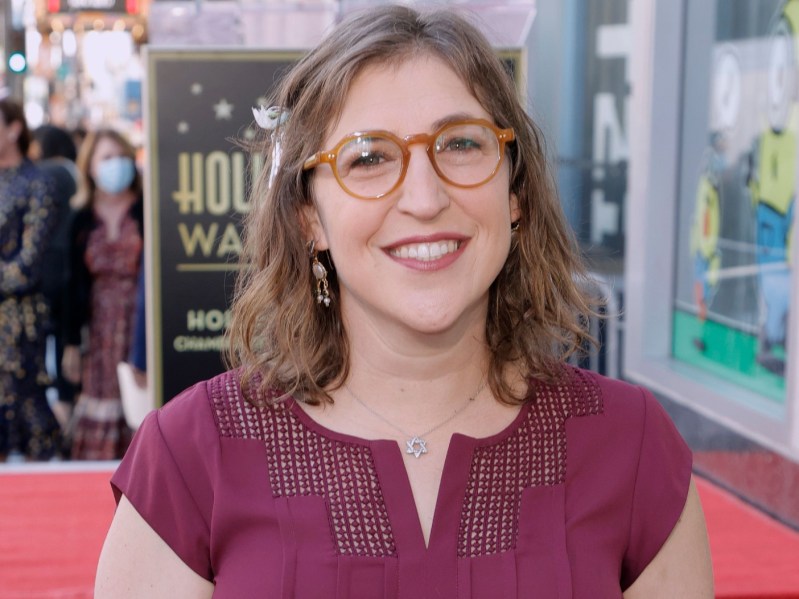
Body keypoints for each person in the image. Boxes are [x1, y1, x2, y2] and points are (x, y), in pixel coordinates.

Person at [96, 5, 714, 597]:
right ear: (309, 216)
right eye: (368, 157)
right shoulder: (189, 457)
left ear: (515, 194)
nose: (424, 198)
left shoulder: (633, 452)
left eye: (462, 145)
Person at [62, 128, 143, 460]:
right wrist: (69, 344)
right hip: (98, 327)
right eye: (107, 158)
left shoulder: (145, 210)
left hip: (139, 323)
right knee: (101, 398)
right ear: (91, 167)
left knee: (140, 405)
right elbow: (70, 284)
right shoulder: (81, 218)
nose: (117, 164)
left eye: (122, 156)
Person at [0, 99, 62, 461]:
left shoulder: (38, 183)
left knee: (25, 403)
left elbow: (28, 265)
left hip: (19, 323)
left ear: (14, 129)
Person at [30, 124, 81, 430]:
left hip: (40, 273)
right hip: (68, 270)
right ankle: (65, 412)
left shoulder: (37, 174)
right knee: (66, 348)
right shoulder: (70, 173)